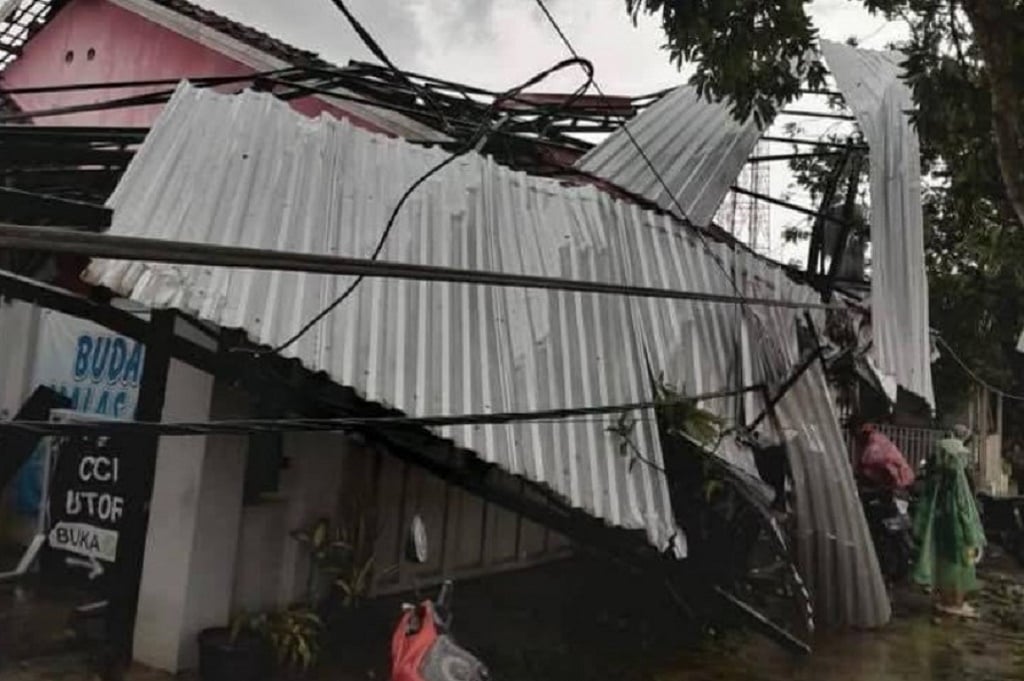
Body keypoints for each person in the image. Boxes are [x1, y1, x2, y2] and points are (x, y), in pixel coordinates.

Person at [911, 430, 986, 618]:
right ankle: (955, 603)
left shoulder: (938, 481)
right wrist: (973, 536)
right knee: (961, 568)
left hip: (942, 533)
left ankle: (945, 600)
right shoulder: (956, 482)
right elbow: (965, 511)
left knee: (944, 566)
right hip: (958, 534)